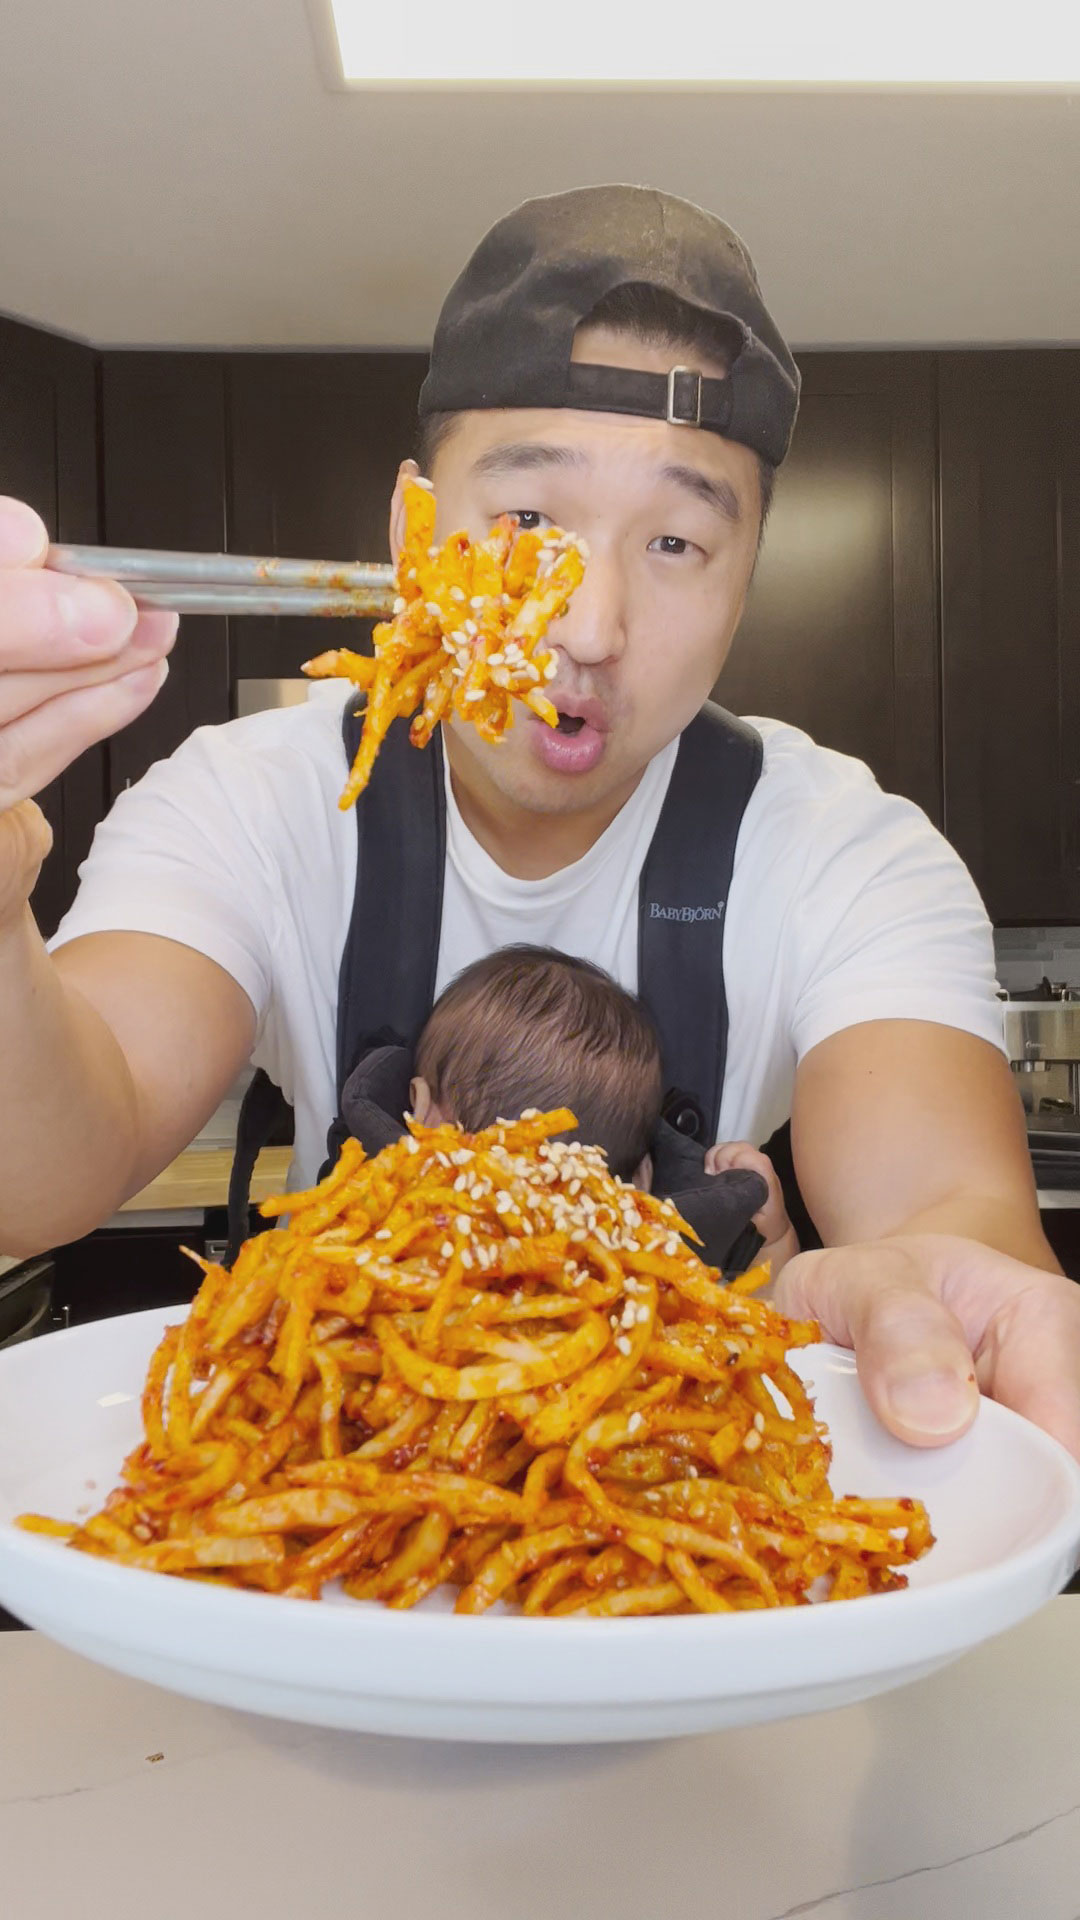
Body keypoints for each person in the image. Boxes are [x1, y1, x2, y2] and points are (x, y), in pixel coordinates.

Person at [1, 184, 1077, 1461]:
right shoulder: (249, 800)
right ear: (414, 539)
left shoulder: (845, 848)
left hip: (673, 1527)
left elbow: (948, 1203)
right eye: (523, 523)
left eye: (678, 542)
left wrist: (932, 1285)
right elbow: (42, 1176)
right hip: (326, 1528)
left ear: (746, 583)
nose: (588, 629)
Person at [403, 943, 798, 1273]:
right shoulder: (660, 1257)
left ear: (419, 1110)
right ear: (642, 1179)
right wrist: (772, 1241)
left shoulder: (382, 1228)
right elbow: (771, 1320)